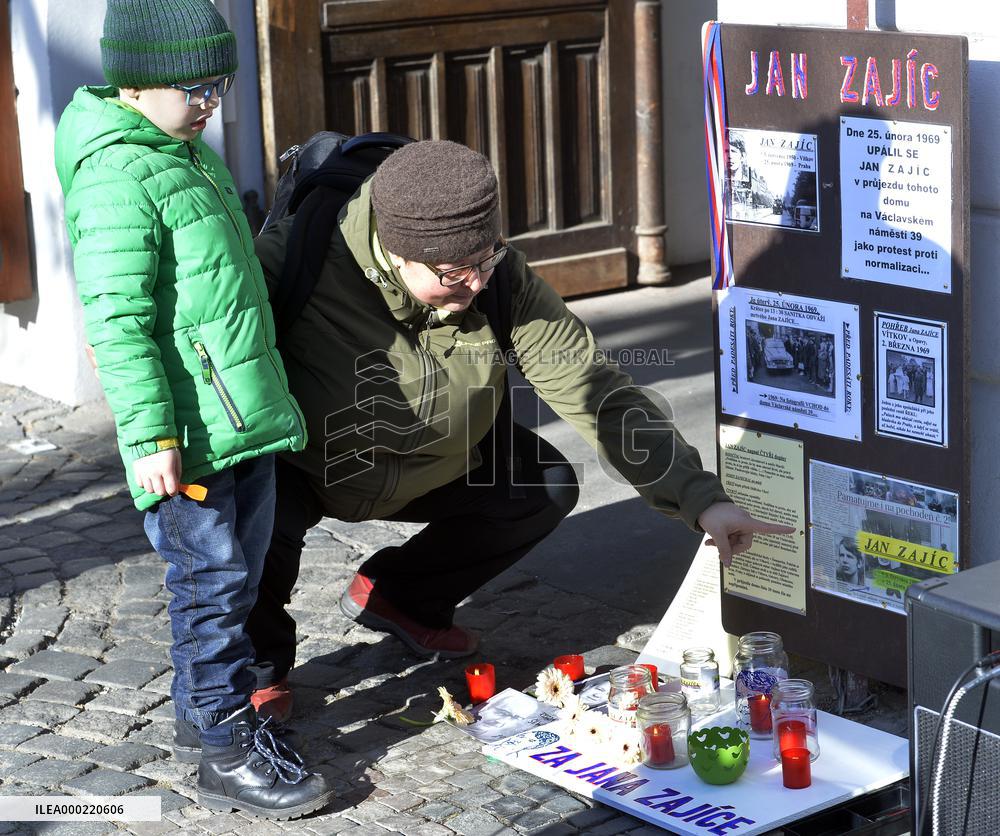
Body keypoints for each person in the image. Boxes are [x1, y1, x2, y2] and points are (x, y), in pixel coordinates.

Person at [243, 140, 792, 720]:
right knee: (250, 511)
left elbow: (596, 391)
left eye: (487, 259)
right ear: (397, 254)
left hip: (436, 462)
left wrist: (701, 499)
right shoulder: (291, 262)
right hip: (310, 464)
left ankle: (402, 596)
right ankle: (255, 667)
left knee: (542, 484)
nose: (478, 284)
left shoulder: (497, 279)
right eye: (455, 273)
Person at [54, 0, 329, 818]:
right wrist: (150, 437)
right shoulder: (117, 174)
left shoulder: (184, 151)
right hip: (187, 436)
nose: (210, 101)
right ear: (136, 83)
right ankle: (223, 747)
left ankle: (199, 716)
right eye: (194, 87)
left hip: (238, 420)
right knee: (211, 588)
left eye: (220, 84)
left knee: (238, 580)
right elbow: (117, 320)